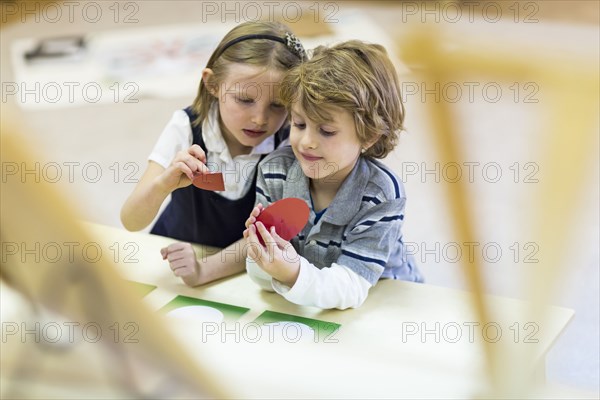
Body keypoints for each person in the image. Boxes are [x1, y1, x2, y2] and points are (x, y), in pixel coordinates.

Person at [120, 21, 306, 286]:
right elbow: (131, 220)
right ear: (213, 84)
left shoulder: (290, 144)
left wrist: (204, 270)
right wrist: (163, 184)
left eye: (278, 105)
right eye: (244, 100)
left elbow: (270, 236)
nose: (260, 119)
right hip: (172, 258)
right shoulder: (185, 127)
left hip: (238, 270)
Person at [244, 40, 423, 310]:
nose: (306, 142)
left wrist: (291, 273)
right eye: (299, 124)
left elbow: (351, 287)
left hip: (385, 302)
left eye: (326, 131)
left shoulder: (381, 194)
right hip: (313, 297)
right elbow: (265, 280)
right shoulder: (274, 172)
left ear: (369, 136)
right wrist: (260, 255)